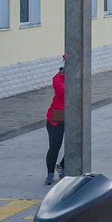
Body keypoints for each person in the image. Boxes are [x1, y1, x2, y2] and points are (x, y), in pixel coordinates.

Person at [44, 56, 66, 185]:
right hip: (56, 118)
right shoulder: (57, 79)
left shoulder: (77, 79)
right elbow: (62, 91)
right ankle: (50, 173)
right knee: (55, 145)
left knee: (76, 145)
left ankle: (61, 166)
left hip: (72, 117)